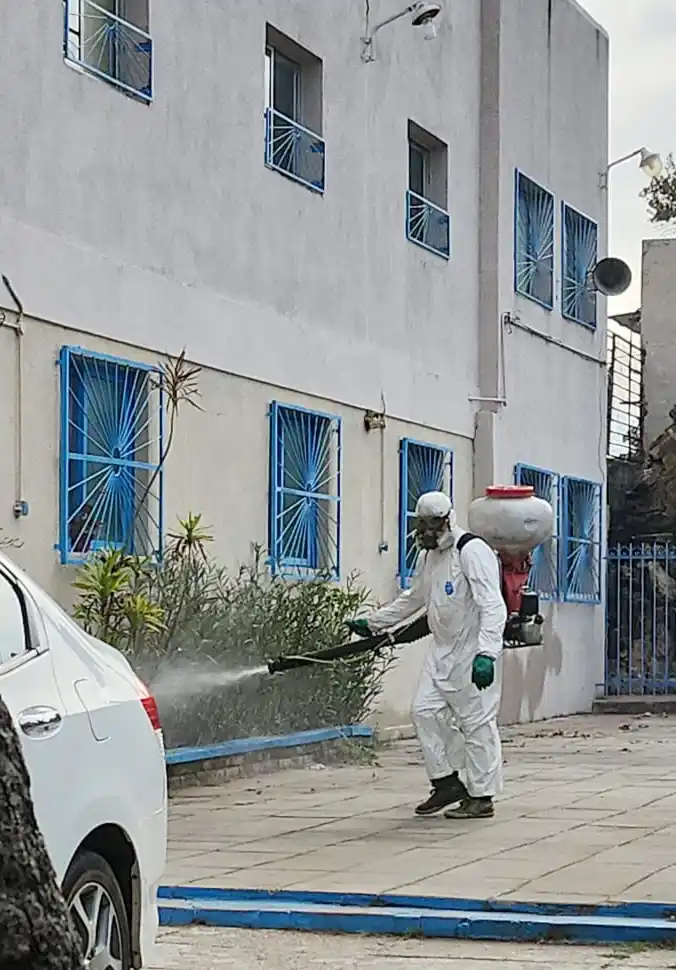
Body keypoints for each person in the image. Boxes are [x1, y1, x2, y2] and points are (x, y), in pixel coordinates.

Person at [347, 491, 507, 820]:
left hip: (471, 653)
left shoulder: (472, 551)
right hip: (442, 652)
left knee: (477, 725)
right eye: (422, 525)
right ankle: (446, 782)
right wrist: (375, 623)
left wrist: (487, 653)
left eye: (433, 525)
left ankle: (481, 796)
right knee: (423, 712)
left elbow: (492, 605)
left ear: (448, 520)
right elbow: (414, 598)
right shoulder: (430, 557)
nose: (427, 532)